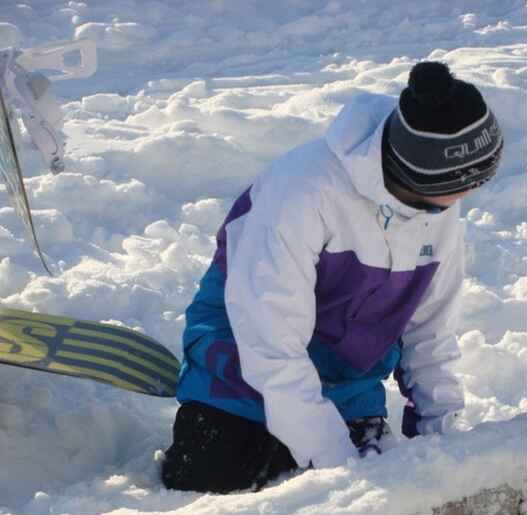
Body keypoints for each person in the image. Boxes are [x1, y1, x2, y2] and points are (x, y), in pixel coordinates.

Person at [161, 61, 504, 493]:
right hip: (240, 362)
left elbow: (429, 335)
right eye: (469, 181)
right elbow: (269, 339)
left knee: (385, 491)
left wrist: (444, 438)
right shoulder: (304, 192)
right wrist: (336, 466)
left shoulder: (438, 208)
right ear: (421, 174)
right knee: (210, 484)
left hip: (348, 382)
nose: (472, 193)